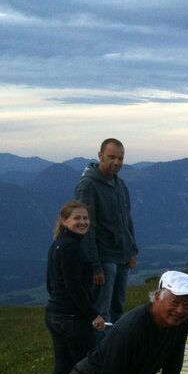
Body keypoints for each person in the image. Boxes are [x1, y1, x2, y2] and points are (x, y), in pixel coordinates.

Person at [44, 200, 106, 374]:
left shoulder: (58, 244)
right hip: (71, 318)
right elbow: (74, 287)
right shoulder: (71, 247)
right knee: (86, 367)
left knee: (63, 367)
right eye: (77, 218)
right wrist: (93, 315)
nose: (82, 222)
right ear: (64, 221)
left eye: (85, 218)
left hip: (55, 313)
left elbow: (51, 282)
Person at [74, 138, 138, 324]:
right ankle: (100, 342)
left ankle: (116, 341)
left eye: (120, 158)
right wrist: (95, 266)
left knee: (118, 307)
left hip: (122, 256)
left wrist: (132, 250)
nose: (116, 162)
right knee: (102, 311)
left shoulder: (120, 184)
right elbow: (86, 228)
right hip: (104, 259)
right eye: (111, 157)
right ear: (100, 156)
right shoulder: (88, 186)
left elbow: (127, 219)